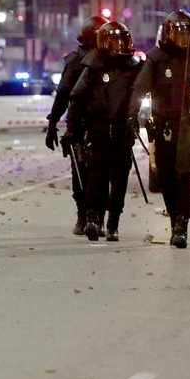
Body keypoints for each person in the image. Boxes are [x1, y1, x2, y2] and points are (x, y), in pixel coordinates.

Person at [128, 10, 190, 249]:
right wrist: (132, 114)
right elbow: (139, 88)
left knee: (183, 175)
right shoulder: (156, 58)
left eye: (189, 36)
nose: (185, 41)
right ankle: (173, 215)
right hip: (164, 125)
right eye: (180, 35)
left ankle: (181, 224)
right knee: (166, 175)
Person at [65, 21, 143, 242]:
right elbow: (77, 97)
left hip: (122, 132)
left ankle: (113, 223)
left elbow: (142, 95)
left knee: (119, 180)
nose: (118, 46)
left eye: (121, 40)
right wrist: (72, 128)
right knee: (96, 177)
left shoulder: (133, 67)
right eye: (113, 41)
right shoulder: (93, 66)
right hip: (97, 131)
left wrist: (135, 119)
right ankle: (91, 219)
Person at [45, 15, 108, 235]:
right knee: (81, 173)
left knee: (102, 174)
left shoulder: (111, 60)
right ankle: (84, 215)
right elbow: (62, 94)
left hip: (104, 125)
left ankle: (98, 217)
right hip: (80, 126)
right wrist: (53, 123)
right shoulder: (75, 62)